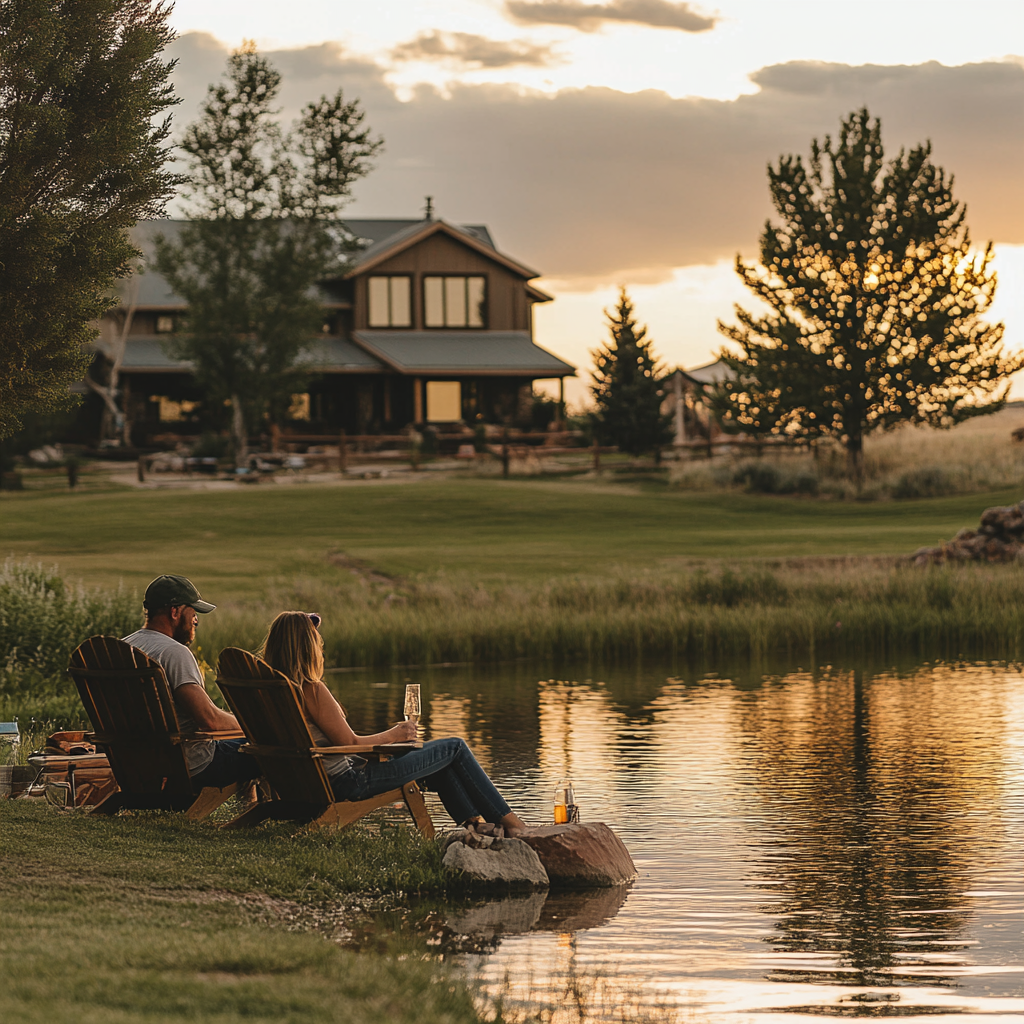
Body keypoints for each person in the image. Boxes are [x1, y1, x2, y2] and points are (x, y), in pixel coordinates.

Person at [259, 611, 529, 834]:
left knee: (442, 765)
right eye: (317, 641)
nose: (321, 646)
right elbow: (349, 744)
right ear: (307, 647)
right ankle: (514, 825)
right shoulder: (311, 690)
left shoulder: (266, 691)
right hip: (347, 782)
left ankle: (476, 827)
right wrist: (393, 734)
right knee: (454, 748)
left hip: (307, 782)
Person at [123, 575, 259, 792]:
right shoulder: (174, 653)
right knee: (270, 747)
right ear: (174, 611)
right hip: (190, 765)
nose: (196, 619)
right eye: (193, 612)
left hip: (135, 763)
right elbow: (209, 721)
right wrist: (256, 726)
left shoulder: (125, 647)